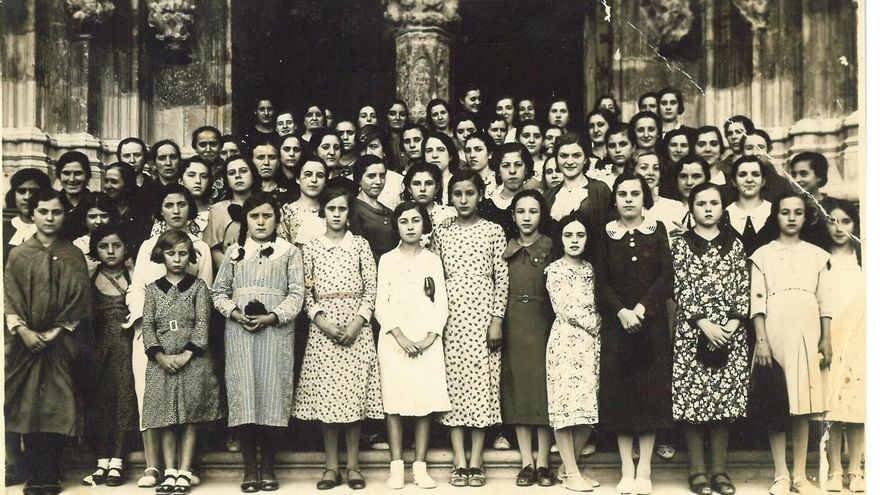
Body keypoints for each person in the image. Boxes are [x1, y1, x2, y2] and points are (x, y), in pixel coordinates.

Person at [211, 193, 305, 492]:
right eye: (255, 216)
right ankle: (250, 467)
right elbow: (218, 293)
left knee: (273, 394)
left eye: (267, 215)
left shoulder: (288, 252)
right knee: (245, 394)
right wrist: (235, 313)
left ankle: (269, 466)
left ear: (276, 219)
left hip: (275, 333)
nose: (261, 221)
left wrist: (273, 317)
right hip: (240, 333)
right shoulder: (235, 253)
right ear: (246, 220)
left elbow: (297, 295)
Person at [293, 187, 383, 491]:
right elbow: (306, 291)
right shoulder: (313, 248)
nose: (336, 214)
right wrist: (323, 323)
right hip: (324, 329)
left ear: (349, 212)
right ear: (323, 212)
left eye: (341, 209)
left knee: (354, 399)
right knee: (328, 401)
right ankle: (331, 466)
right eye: (330, 208)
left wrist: (358, 322)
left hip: (356, 328)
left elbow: (372, 287)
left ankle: (354, 466)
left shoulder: (359, 245)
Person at [124, 184, 214, 489]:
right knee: (150, 395)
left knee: (188, 401)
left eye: (181, 204)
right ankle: (153, 466)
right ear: (160, 210)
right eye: (169, 205)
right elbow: (137, 287)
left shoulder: (199, 249)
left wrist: (189, 345)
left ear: (190, 208)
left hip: (188, 341)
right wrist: (145, 329)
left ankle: (183, 467)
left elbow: (203, 293)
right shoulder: (148, 247)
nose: (176, 210)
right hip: (152, 338)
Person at [4, 189, 92, 495]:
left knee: (56, 406)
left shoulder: (72, 254)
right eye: (43, 212)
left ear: (64, 214)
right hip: (24, 344)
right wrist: (25, 332)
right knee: (27, 405)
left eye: (56, 212)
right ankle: (33, 472)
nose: (50, 218)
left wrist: (54, 333)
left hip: (60, 344)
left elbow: (80, 300)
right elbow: (10, 298)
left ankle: (51, 472)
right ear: (34, 213)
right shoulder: (19, 254)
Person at [594, 172, 674, 495]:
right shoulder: (606, 234)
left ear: (645, 198)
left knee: (650, 393)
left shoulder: (656, 232)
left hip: (650, 325)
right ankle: (627, 467)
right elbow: (600, 281)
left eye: (635, 194)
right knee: (620, 395)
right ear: (615, 199)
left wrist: (640, 309)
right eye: (623, 194)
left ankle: (646, 468)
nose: (628, 199)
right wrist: (622, 312)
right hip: (617, 325)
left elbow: (666, 276)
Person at [431, 169, 508, 488]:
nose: (464, 199)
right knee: (454, 387)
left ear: (480, 196)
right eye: (458, 194)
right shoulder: (441, 231)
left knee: (481, 387)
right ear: (450, 197)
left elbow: (502, 278)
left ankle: (476, 459)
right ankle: (458, 458)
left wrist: (496, 320)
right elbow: (431, 279)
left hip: (482, 318)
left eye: (470, 193)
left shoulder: (493, 231)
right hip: (450, 319)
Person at [671, 183, 750, 495]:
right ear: (691, 209)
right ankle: (697, 471)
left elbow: (742, 284)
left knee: (723, 402)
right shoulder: (681, 245)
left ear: (722, 208)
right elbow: (680, 286)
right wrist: (703, 323)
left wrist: (730, 324)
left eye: (713, 203)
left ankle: (719, 471)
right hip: (693, 332)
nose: (707, 208)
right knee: (694, 402)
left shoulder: (735, 244)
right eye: (700, 203)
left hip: (730, 333)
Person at [751, 193, 833, 495]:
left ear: (806, 217)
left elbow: (825, 301)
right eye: (785, 212)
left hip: (808, 330)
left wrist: (825, 337)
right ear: (777, 216)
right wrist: (761, 340)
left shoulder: (817, 255)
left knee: (803, 404)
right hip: (775, 330)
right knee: (778, 402)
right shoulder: (762, 255)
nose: (791, 217)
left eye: (797, 212)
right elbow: (756, 302)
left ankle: (799, 474)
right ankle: (781, 473)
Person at [375, 201, 451, 490]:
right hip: (394, 339)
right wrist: (401, 337)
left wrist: (429, 337)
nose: (409, 226)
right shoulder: (388, 260)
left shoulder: (432, 260)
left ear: (424, 225)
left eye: (415, 221)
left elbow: (441, 302)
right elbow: (381, 304)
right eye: (403, 221)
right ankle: (396, 467)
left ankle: (420, 466)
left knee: (423, 402)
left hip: (426, 340)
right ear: (396, 226)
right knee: (394, 402)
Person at [141, 230, 221, 494]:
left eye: (183, 253)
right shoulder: (153, 290)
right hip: (161, 363)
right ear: (160, 255)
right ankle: (170, 471)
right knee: (166, 418)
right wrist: (160, 356)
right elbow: (149, 326)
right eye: (171, 253)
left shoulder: (198, 288)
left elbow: (202, 324)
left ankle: (185, 471)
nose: (177, 259)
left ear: (191, 256)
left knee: (188, 417)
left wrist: (187, 354)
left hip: (192, 360)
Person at [501, 190, 556, 488]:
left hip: (543, 321)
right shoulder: (506, 249)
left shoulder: (550, 248)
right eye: (521, 211)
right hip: (513, 323)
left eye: (533, 211)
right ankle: (526, 462)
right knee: (519, 390)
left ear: (541, 215)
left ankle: (544, 462)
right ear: (513, 216)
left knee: (542, 391)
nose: (526, 217)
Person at [545, 213, 602, 492]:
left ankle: (570, 468)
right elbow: (567, 307)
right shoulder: (555, 269)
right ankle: (571, 472)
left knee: (588, 410)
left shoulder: (592, 269)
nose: (575, 240)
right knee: (566, 407)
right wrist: (596, 324)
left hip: (592, 345)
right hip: (567, 341)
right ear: (561, 239)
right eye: (568, 235)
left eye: (580, 235)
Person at [79, 224, 137, 487]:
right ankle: (101, 459)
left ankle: (118, 459)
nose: (111, 251)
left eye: (117, 245)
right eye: (103, 246)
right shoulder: (91, 279)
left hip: (128, 347)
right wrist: (85, 277)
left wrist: (136, 277)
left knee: (126, 398)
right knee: (101, 402)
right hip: (99, 349)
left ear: (126, 248)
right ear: (95, 250)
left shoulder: (133, 275)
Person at [820, 198, 865, 493]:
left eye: (845, 221)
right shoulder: (821, 259)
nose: (839, 228)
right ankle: (835, 469)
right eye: (832, 220)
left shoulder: (865, 258)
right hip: (831, 335)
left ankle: (855, 469)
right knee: (832, 405)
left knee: (858, 404)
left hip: (860, 335)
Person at [544, 132, 612, 239]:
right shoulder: (548, 196)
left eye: (576, 155)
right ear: (556, 159)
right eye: (563, 156)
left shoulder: (600, 190)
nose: (570, 161)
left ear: (585, 159)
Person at [203, 156, 262, 268]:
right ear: (227, 180)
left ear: (253, 175)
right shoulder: (217, 209)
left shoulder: (265, 206)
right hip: (228, 273)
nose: (238, 176)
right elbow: (212, 249)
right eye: (231, 173)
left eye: (243, 171)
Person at [479, 142, 534, 237]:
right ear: (498, 170)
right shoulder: (486, 206)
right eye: (506, 165)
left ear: (526, 169)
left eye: (518, 164)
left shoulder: (535, 202)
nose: (512, 171)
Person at [349, 154, 396, 263]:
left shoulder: (389, 212)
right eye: (371, 176)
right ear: (359, 179)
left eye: (382, 176)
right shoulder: (353, 209)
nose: (379, 182)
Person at [723, 156, 774, 256]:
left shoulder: (774, 211)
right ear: (733, 181)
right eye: (742, 175)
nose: (749, 180)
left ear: (763, 181)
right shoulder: (724, 215)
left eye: (755, 174)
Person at [402, 162, 456, 249]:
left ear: (437, 188)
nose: (422, 189)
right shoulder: (402, 215)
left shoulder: (449, 214)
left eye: (428, 183)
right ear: (409, 188)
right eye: (416, 183)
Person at [636, 152, 687, 243]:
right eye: (644, 168)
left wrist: (689, 235)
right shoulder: (627, 208)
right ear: (633, 172)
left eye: (656, 168)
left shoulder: (676, 207)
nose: (651, 173)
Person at [3, 168, 52, 263]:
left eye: (33, 191)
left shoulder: (53, 229)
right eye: (21, 191)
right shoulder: (4, 229)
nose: (27, 197)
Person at [103, 161, 152, 253]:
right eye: (106, 181)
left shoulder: (144, 206)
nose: (108, 186)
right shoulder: (103, 205)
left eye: (114, 181)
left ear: (127, 183)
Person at [278, 158, 328, 247]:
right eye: (308, 175)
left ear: (325, 182)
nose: (314, 180)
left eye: (320, 176)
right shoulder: (286, 213)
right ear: (298, 179)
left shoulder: (332, 211)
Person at [68, 192, 118, 276]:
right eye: (92, 216)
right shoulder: (78, 246)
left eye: (104, 216)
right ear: (84, 218)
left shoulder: (119, 242)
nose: (98, 221)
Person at [175, 157, 213, 236]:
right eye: (192, 175)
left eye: (204, 176)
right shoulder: (171, 212)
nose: (198, 181)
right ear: (181, 181)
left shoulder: (216, 212)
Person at [250, 138, 293, 203]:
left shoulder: (288, 193)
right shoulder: (247, 191)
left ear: (278, 162)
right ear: (252, 162)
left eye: (272, 158)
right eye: (260, 158)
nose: (266, 163)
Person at [422, 131, 460, 204]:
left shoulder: (459, 183)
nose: (434, 155)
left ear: (450, 156)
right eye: (429, 151)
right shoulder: (419, 185)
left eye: (440, 150)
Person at [463, 132, 498, 197]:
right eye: (468, 150)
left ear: (490, 154)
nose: (472, 155)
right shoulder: (461, 181)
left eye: (478, 150)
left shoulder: (499, 180)